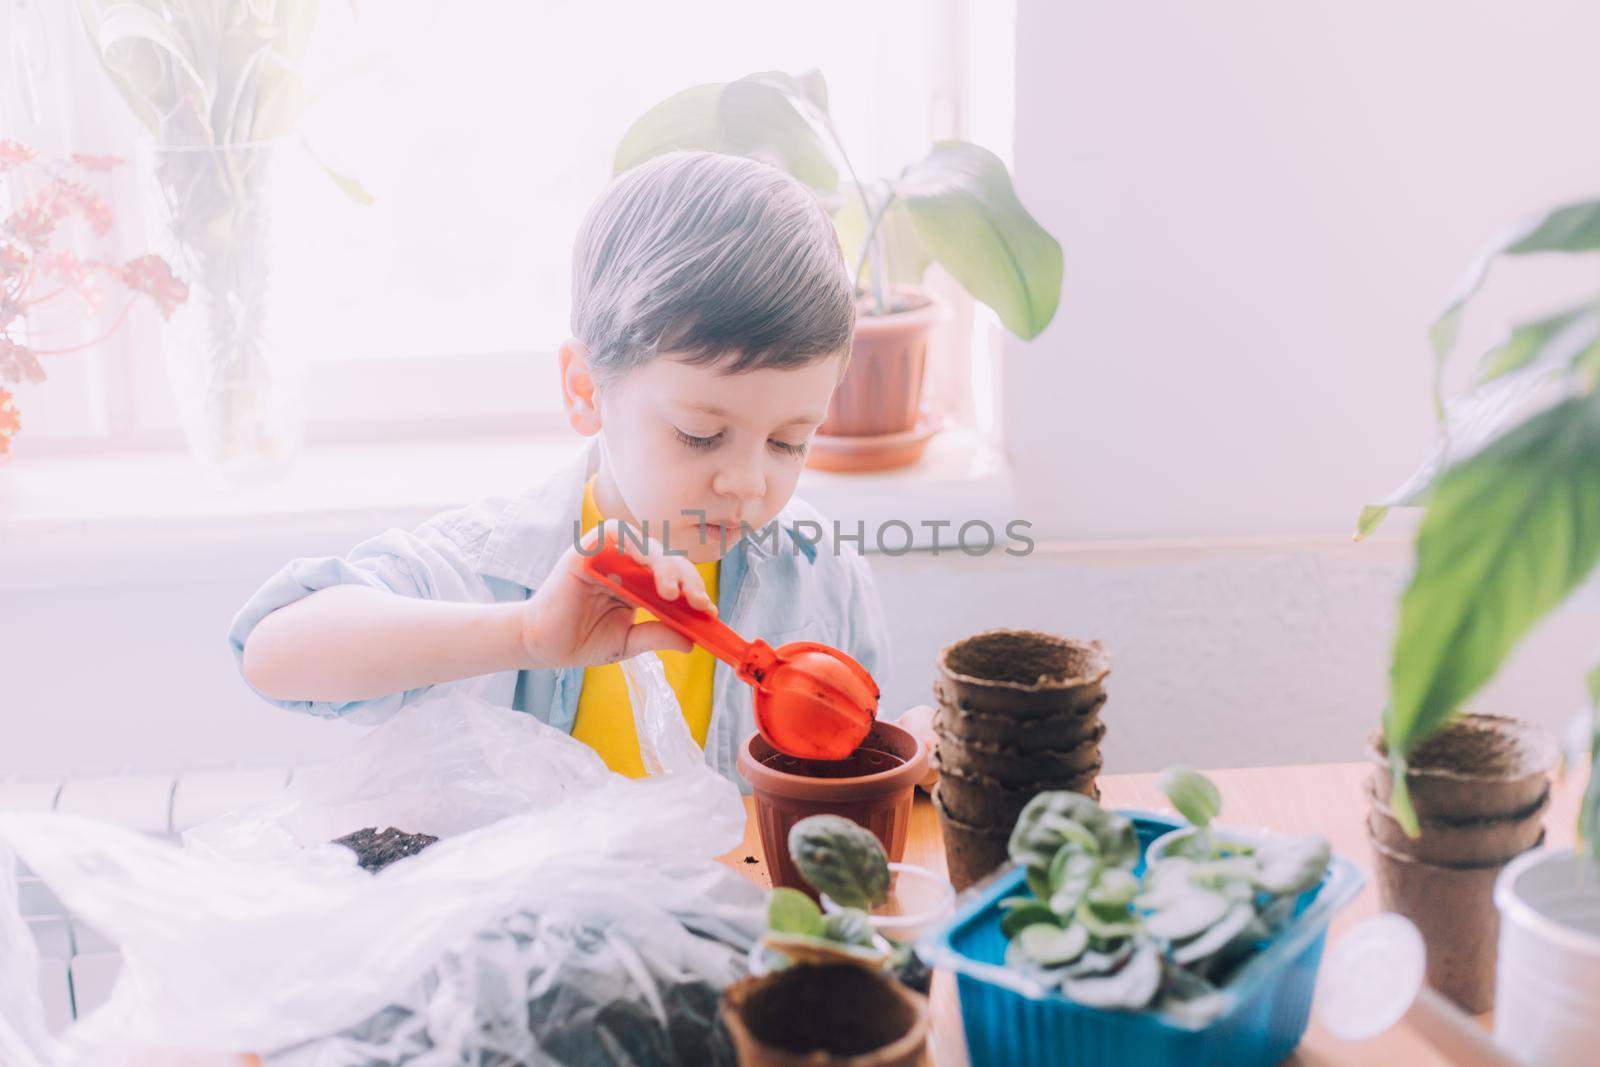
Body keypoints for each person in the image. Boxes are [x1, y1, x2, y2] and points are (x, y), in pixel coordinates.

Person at [231, 151, 936, 787]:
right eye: (701, 433)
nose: (749, 483)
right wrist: (524, 635)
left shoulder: (821, 575)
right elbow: (272, 650)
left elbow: (846, 772)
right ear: (585, 388)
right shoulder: (491, 569)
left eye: (789, 442)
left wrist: (920, 756)